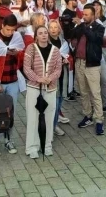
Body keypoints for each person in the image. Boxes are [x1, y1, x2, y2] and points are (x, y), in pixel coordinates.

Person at [23, 25, 62, 158]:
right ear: (36, 36)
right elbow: (26, 68)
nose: (44, 35)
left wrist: (49, 78)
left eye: (45, 33)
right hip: (34, 88)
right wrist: (38, 78)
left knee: (49, 117)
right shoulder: (31, 48)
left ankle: (46, 145)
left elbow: (58, 69)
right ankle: (32, 147)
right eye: (40, 33)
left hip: (50, 88)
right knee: (33, 117)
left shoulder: (55, 50)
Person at [0, 15, 23, 156]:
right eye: (8, 29)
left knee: (10, 112)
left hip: (13, 79)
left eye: (13, 30)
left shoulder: (16, 37)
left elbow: (22, 54)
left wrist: (17, 53)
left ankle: (8, 140)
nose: (10, 32)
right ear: (2, 25)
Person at [73, 5, 106, 135]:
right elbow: (71, 35)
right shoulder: (81, 27)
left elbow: (94, 38)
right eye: (83, 14)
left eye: (87, 15)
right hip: (79, 62)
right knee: (83, 92)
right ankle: (87, 115)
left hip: (92, 64)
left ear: (93, 15)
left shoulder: (99, 28)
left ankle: (99, 120)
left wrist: (83, 26)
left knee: (95, 93)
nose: (84, 17)